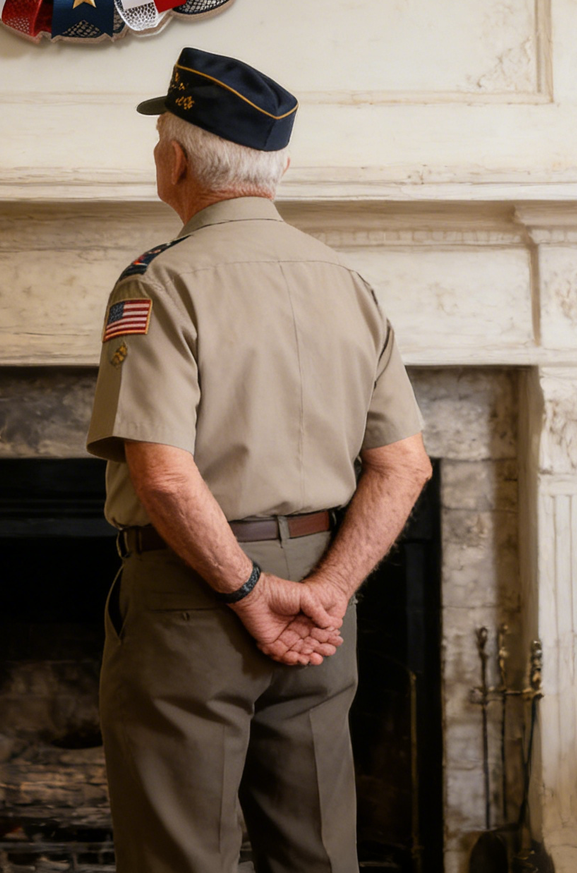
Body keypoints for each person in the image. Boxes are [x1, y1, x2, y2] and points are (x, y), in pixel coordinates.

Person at [88, 47, 433, 873]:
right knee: (317, 854)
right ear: (275, 168)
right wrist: (327, 590)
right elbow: (404, 464)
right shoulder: (348, 282)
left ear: (175, 161)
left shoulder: (158, 282)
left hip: (193, 595)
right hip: (320, 602)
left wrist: (247, 591)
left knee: (180, 858)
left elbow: (163, 474)